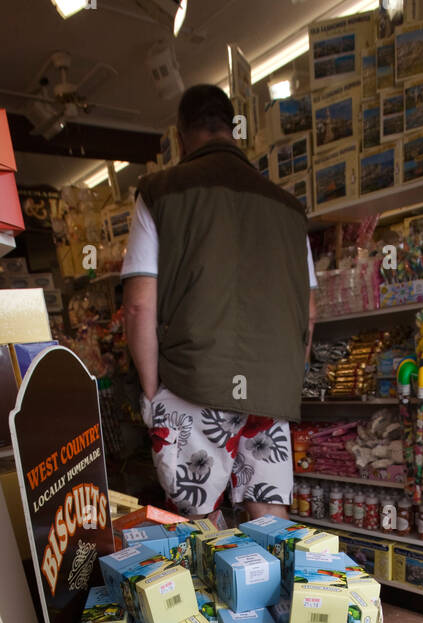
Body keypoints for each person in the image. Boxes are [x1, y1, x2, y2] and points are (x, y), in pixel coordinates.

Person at [122, 84, 317, 523]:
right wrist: (287, 381)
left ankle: (216, 589)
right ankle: (281, 591)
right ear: (234, 129)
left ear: (179, 134)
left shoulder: (159, 192)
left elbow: (138, 306)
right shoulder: (288, 208)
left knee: (200, 518)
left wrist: (152, 392)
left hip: (193, 380)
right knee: (269, 512)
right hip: (269, 386)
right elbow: (308, 312)